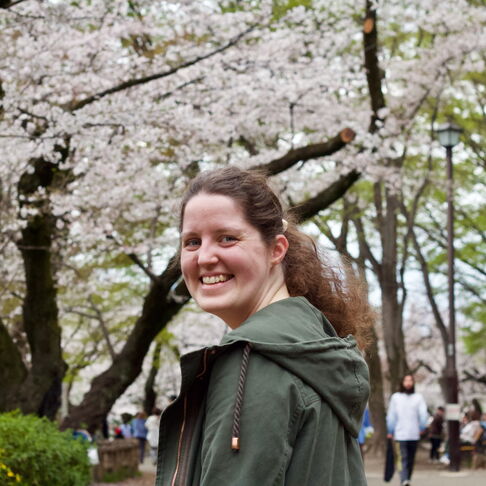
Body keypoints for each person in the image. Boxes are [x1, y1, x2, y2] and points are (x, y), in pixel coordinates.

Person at [155, 167, 374, 485]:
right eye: (192, 242)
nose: (204, 257)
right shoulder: (313, 345)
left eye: (227, 238)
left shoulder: (255, 362)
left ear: (276, 250)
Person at [386, 374, 428, 486]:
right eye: (406, 380)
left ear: (413, 383)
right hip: (400, 435)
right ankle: (403, 479)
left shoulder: (418, 397)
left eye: (410, 380)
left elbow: (423, 414)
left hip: (414, 434)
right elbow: (391, 416)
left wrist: (422, 427)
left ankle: (407, 479)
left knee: (411, 459)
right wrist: (390, 431)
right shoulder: (396, 397)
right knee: (402, 458)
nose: (408, 383)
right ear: (402, 383)